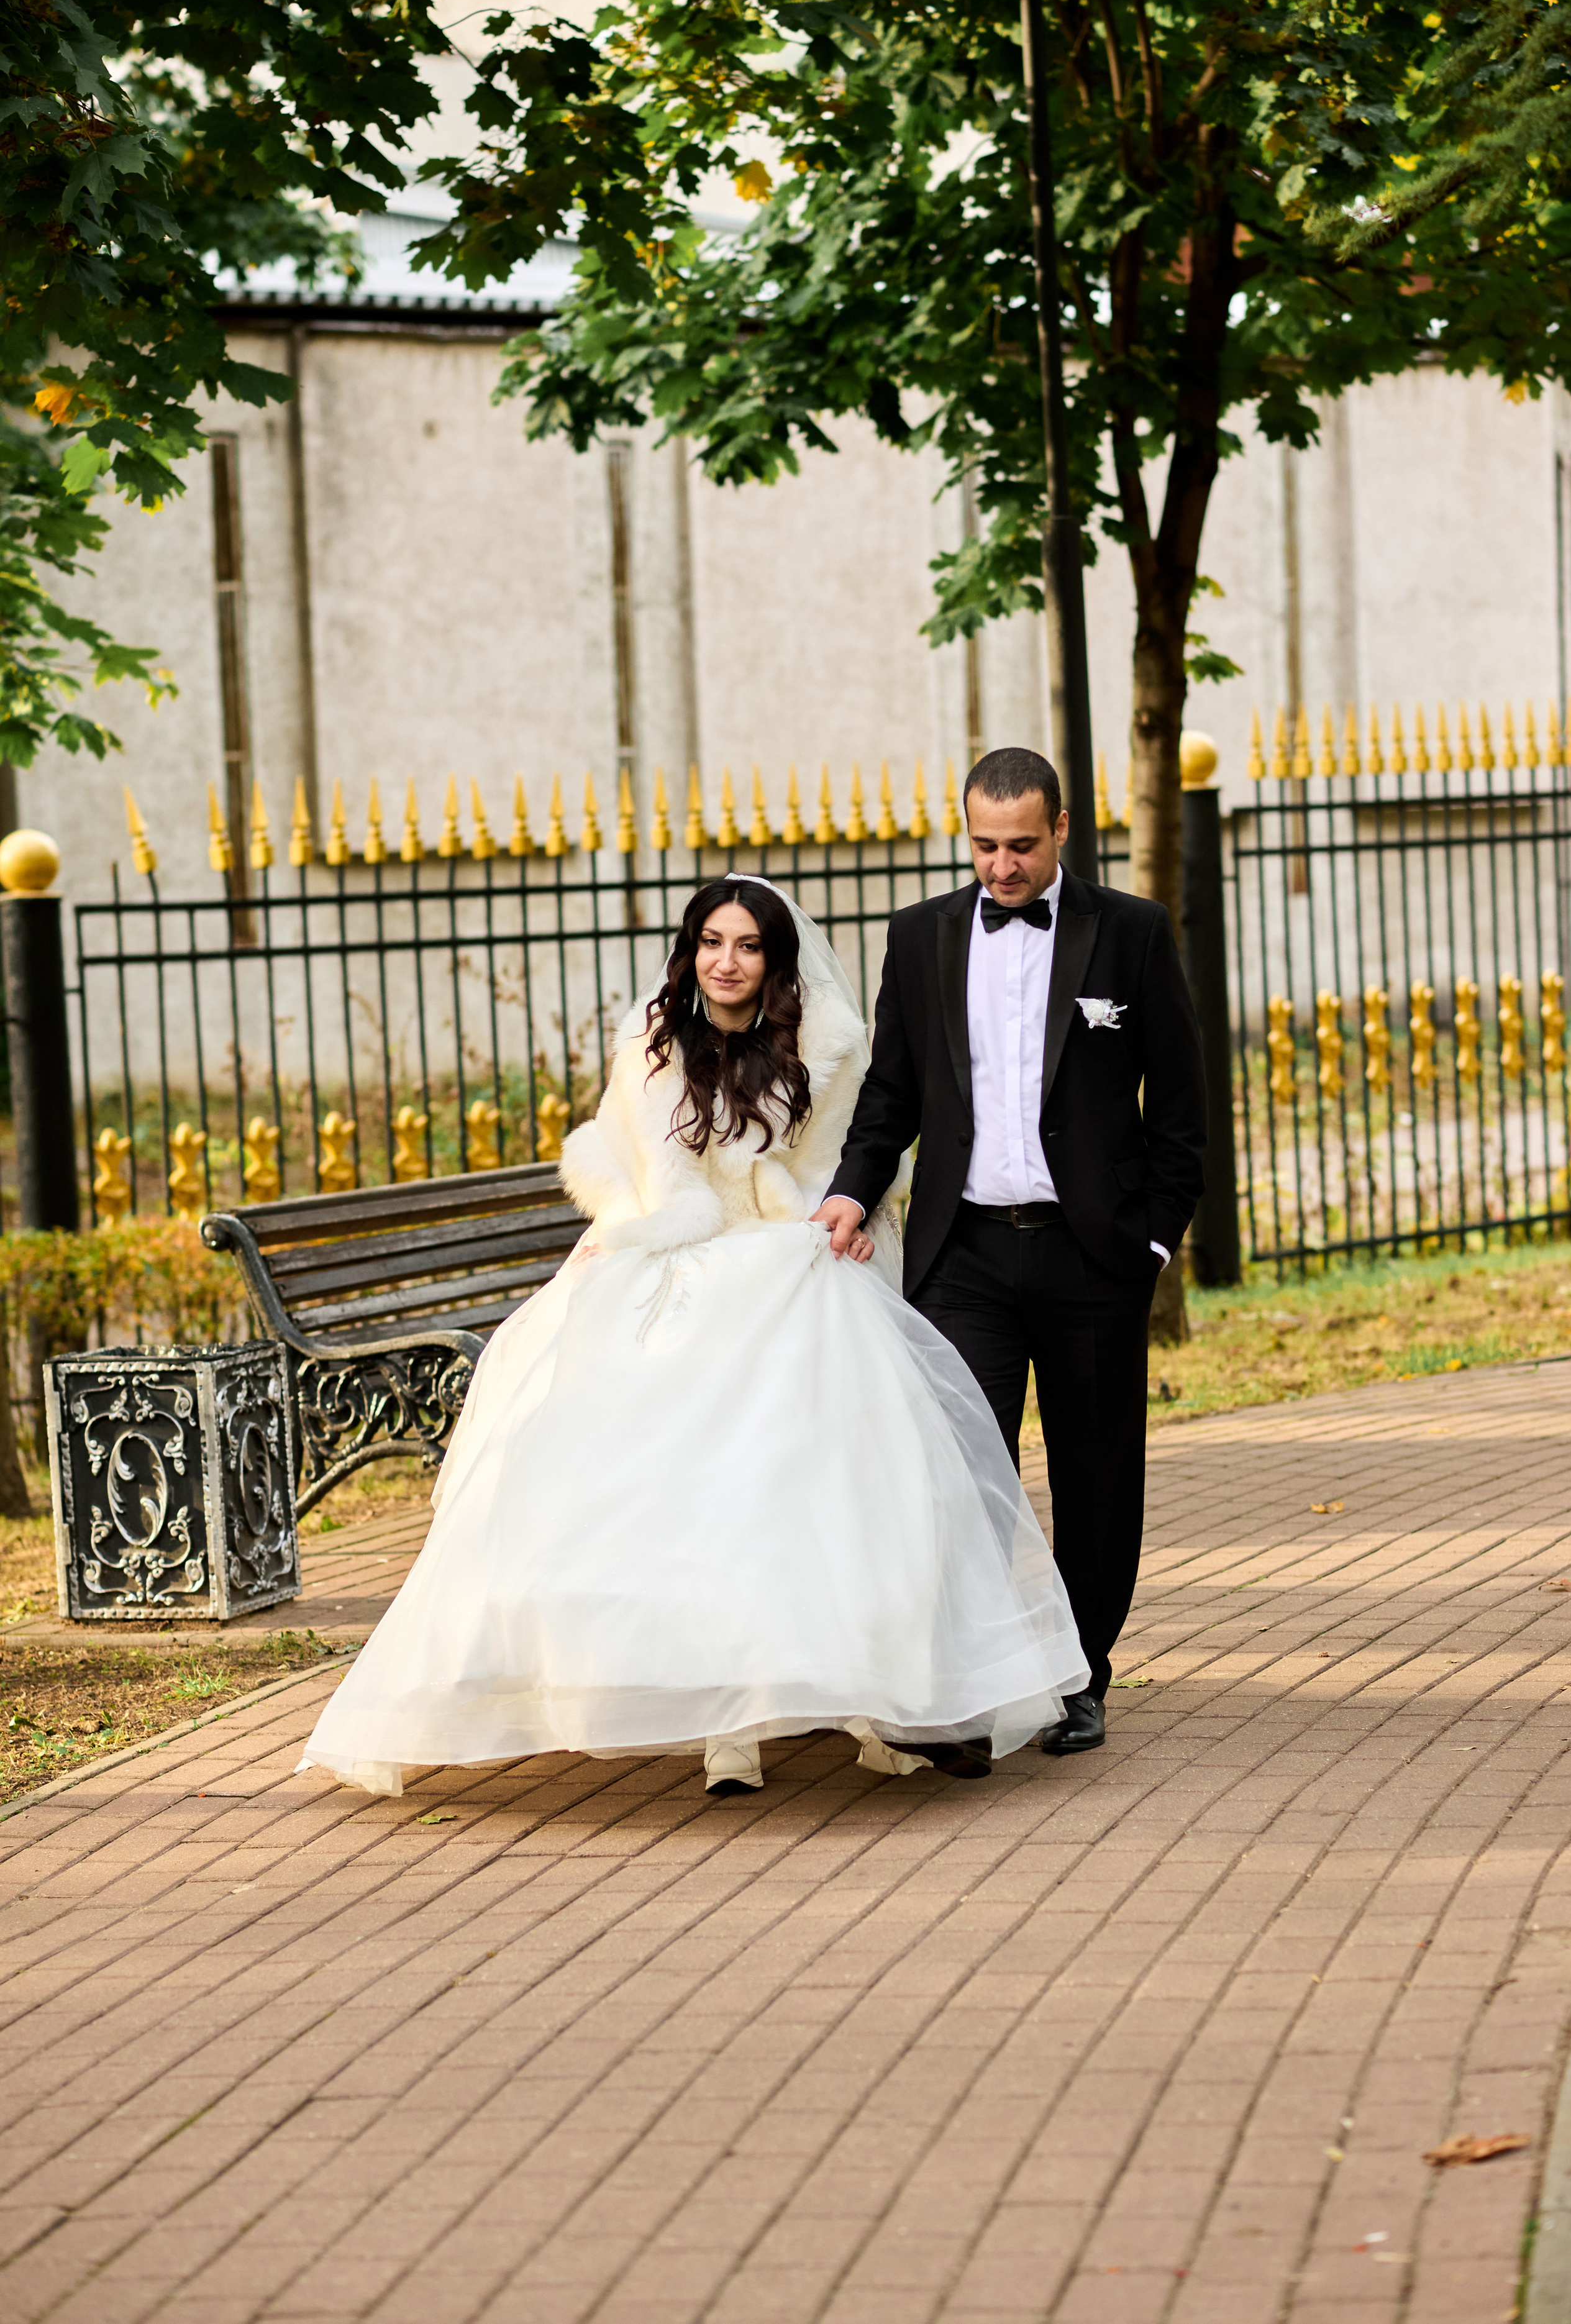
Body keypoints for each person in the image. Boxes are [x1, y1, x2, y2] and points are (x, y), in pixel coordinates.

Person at [298, 874, 1088, 1802]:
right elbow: (628, 1160)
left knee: (805, 1469)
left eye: (749, 945)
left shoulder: (825, 1044)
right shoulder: (653, 1041)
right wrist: (622, 1221)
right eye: (713, 941)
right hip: (674, 1260)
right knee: (656, 1463)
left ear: (776, 958)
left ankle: (879, 1702)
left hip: (782, 1259)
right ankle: (721, 1728)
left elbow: (848, 1157)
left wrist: (849, 1210)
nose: (728, 961)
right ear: (691, 949)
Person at [814, 749, 1206, 1756]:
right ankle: (970, 1687)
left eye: (1022, 845)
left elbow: (1184, 1105)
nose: (1002, 866)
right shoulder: (921, 937)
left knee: (1095, 1479)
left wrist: (1153, 1239)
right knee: (956, 1472)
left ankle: (1080, 1674)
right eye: (985, 846)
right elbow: (890, 1093)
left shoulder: (1131, 933)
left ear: (1063, 828)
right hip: (967, 1256)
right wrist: (855, 1189)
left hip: (1092, 1257)